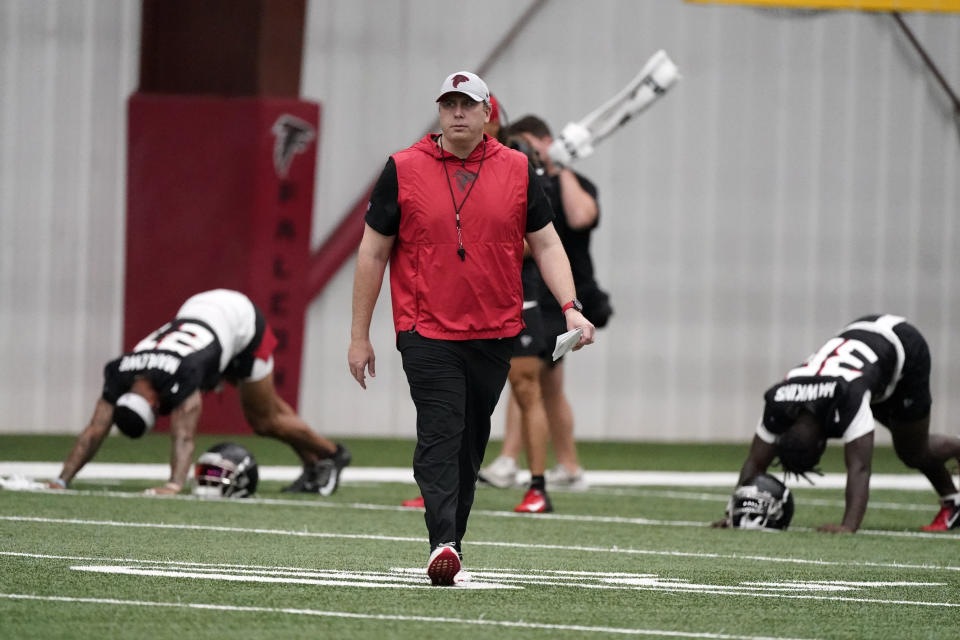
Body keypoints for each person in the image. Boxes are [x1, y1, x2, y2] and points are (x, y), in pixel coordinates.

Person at [348, 71, 595, 586]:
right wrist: (359, 334)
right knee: (441, 429)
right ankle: (441, 539)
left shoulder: (519, 169)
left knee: (472, 437)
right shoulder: (401, 169)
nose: (458, 112)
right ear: (440, 111)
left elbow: (548, 244)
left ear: (488, 115)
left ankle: (451, 539)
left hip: (493, 328)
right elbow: (372, 252)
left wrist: (570, 306)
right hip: (424, 328)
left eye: (469, 104)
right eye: (449, 103)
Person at [48, 289, 351, 496]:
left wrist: (174, 484)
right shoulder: (123, 371)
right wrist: (62, 480)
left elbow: (184, 436)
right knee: (267, 407)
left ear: (150, 401)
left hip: (241, 321)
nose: (160, 408)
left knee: (264, 419)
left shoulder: (178, 373)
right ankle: (314, 463)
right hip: (202, 310)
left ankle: (332, 455)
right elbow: (96, 429)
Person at [712, 314, 960, 533]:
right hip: (863, 337)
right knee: (911, 449)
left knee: (914, 450)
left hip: (904, 346)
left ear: (822, 442)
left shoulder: (845, 398)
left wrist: (848, 526)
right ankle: (954, 502)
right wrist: (734, 514)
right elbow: (756, 462)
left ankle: (953, 488)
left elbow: (860, 467)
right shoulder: (779, 401)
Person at [480, 115, 611, 503]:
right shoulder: (521, 179)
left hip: (564, 292)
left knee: (531, 378)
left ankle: (528, 463)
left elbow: (581, 216)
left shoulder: (566, 182)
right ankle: (562, 466)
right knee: (539, 381)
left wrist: (562, 164)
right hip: (542, 291)